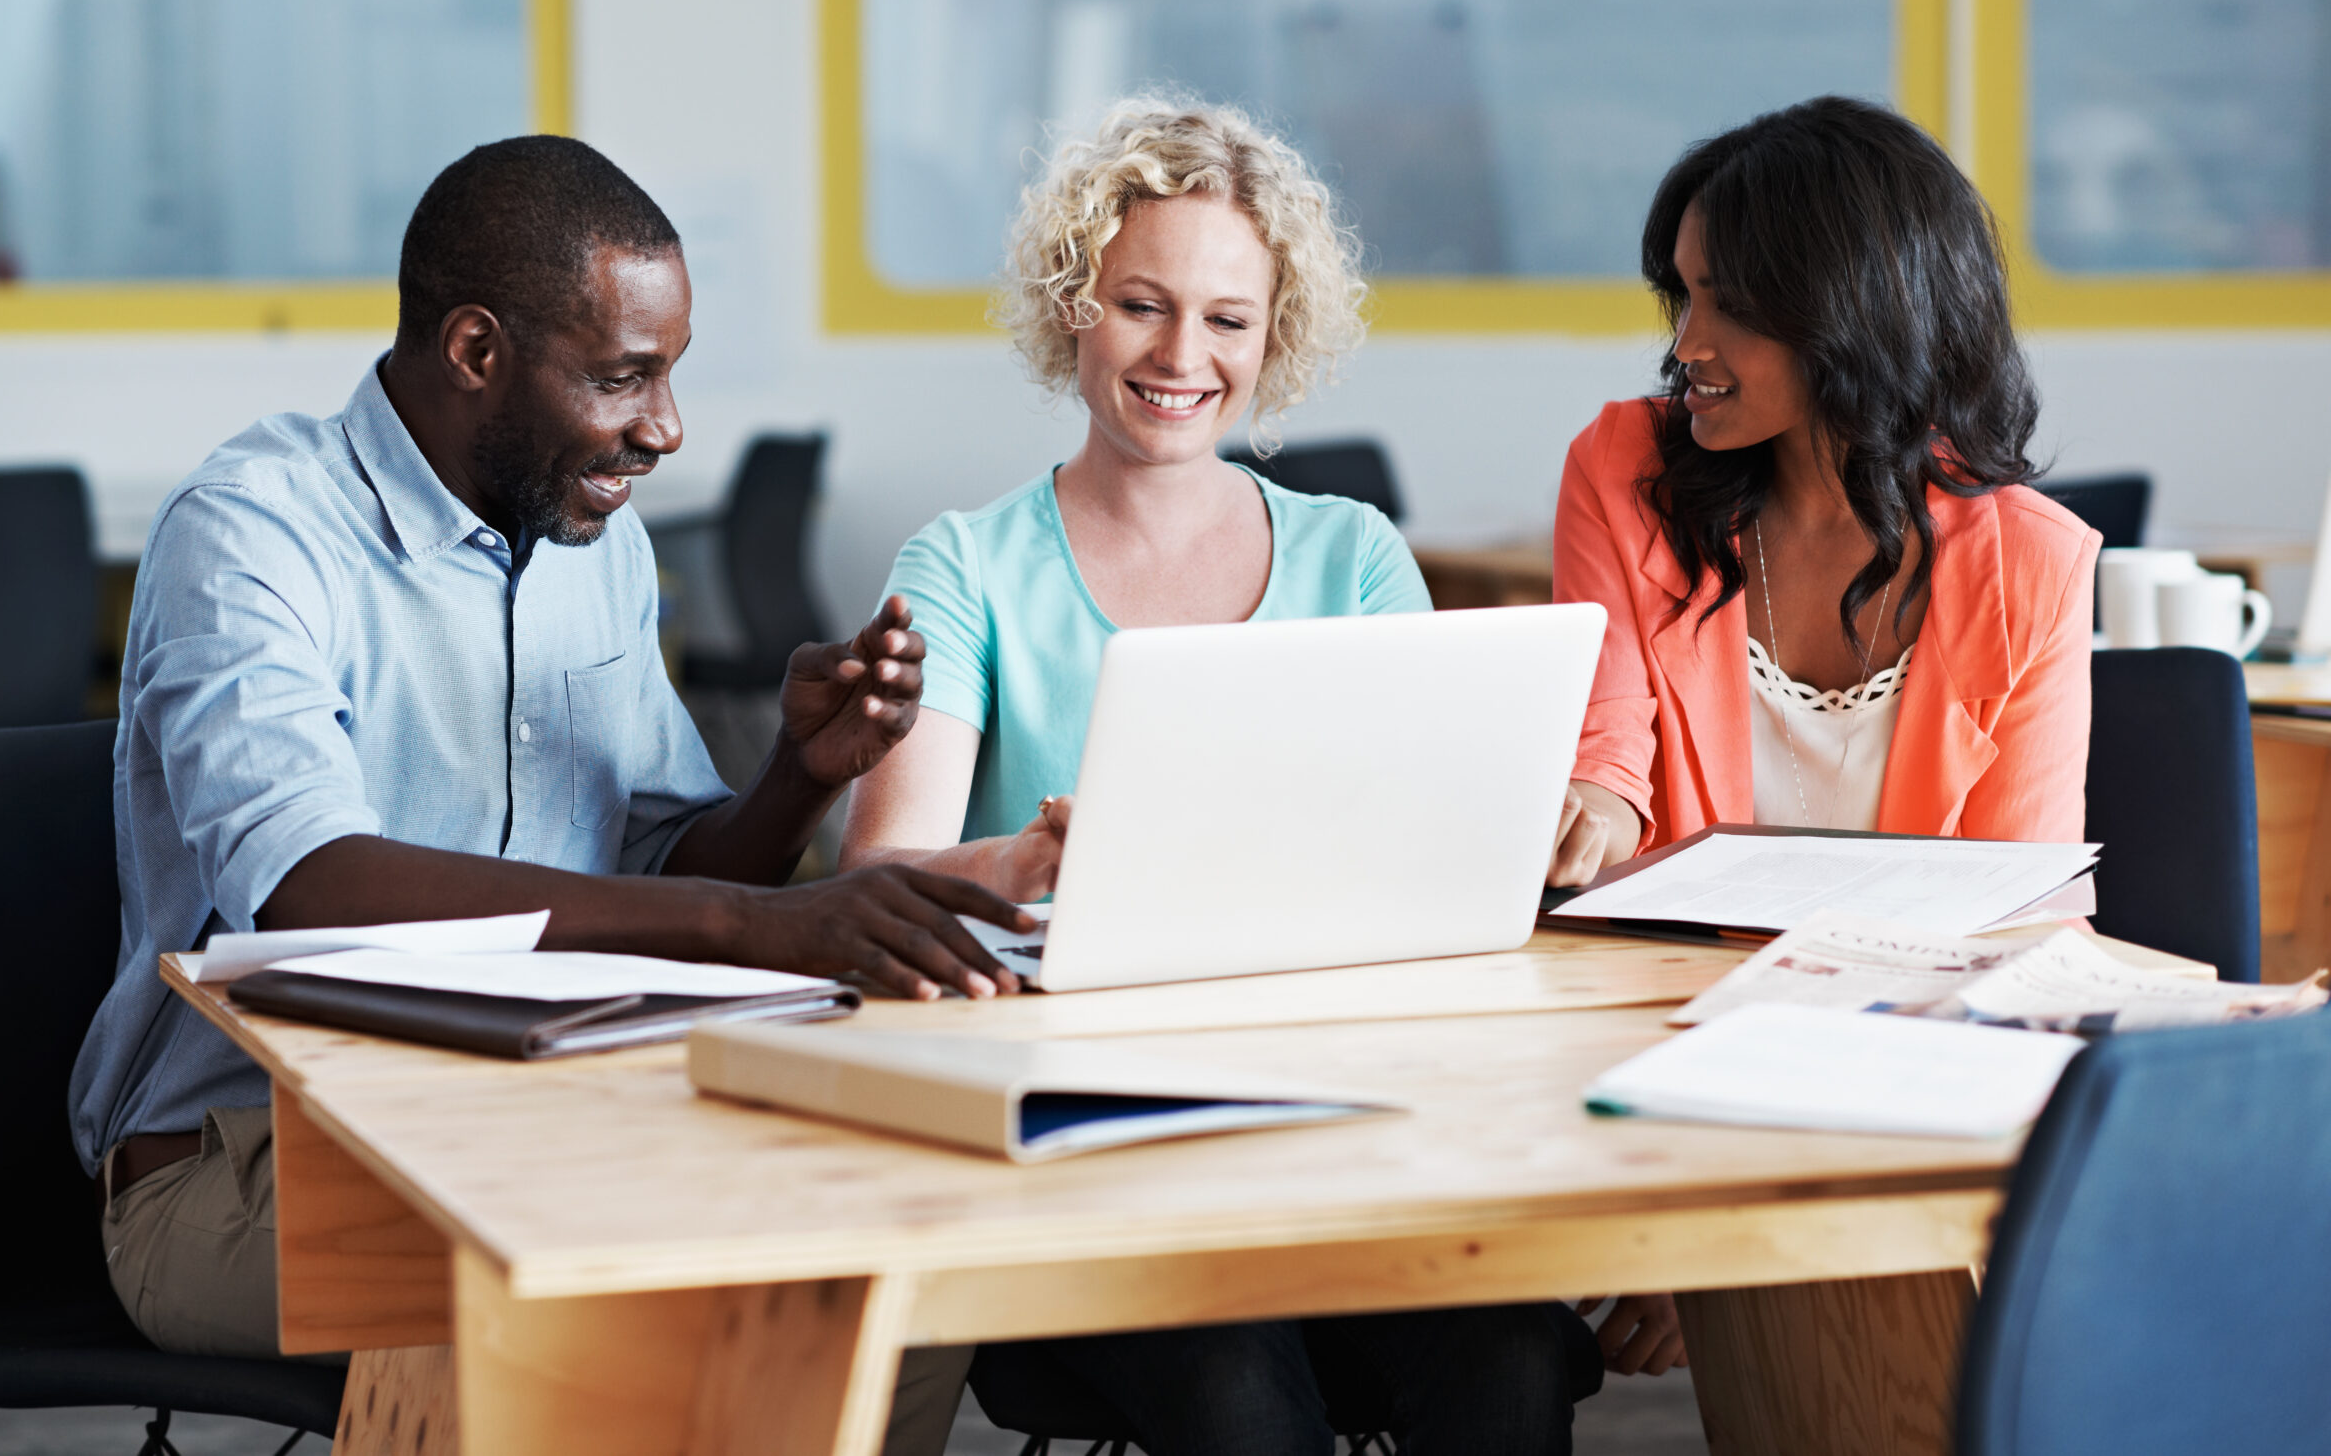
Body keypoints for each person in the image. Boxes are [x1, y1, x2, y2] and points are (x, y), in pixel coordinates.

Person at [67, 136, 1031, 1383]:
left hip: (545, 1121)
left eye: (670, 376)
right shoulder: (254, 529)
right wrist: (754, 924)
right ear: (477, 353)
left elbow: (655, 859)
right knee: (632, 1307)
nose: (667, 428)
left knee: (886, 1277)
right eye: (627, 377)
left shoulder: (589, 540)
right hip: (247, 1159)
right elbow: (307, 881)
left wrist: (801, 776)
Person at [844, 99, 1600, 1456]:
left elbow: (1423, 856)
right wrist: (1016, 865)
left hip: (1345, 1129)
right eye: (1141, 304)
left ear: (1274, 340)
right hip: (1087, 1153)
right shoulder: (959, 568)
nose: (1182, 355)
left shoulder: (1356, 557)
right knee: (1235, 1392)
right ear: (1074, 307)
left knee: (1510, 1347)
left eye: (1228, 320)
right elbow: (876, 877)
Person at [1548, 95, 2099, 1374]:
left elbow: (2018, 923)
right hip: (1652, 1049)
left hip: (1902, 1079)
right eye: (1677, 297)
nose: (1683, 344)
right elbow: (1610, 742)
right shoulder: (1625, 468)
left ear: (1854, 313)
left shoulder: (2031, 564)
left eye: (1725, 302)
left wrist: (1757, 1233)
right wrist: (1589, 802)